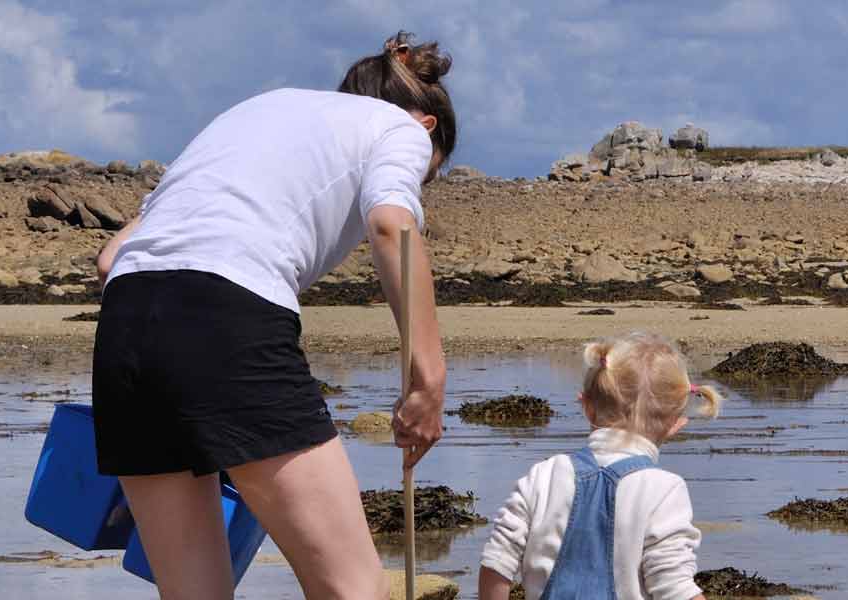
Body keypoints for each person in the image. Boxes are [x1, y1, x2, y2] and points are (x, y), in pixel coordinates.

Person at [91, 31, 453, 600]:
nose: (420, 185)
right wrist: (427, 381)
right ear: (427, 127)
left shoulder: (260, 108)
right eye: (428, 177)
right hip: (227, 313)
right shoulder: (400, 130)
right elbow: (391, 226)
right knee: (353, 589)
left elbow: (110, 257)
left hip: (126, 324)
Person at [479, 332, 721, 600]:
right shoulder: (664, 489)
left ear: (587, 407)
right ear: (676, 423)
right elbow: (674, 587)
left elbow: (496, 562)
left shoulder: (544, 475)